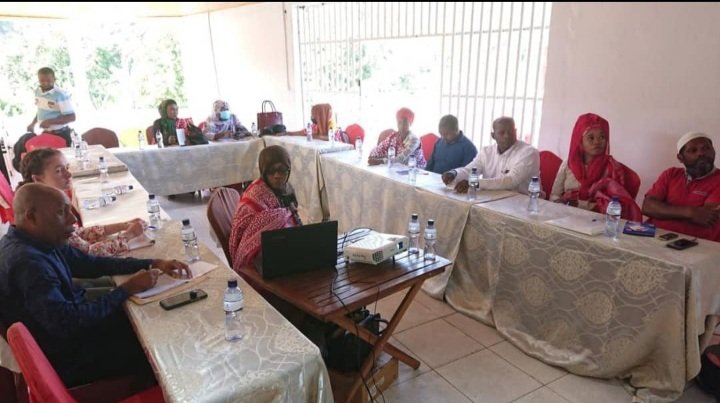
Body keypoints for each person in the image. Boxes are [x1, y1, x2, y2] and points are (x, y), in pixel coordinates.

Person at [0, 183, 190, 387]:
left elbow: (91, 264)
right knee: (162, 343)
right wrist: (127, 289)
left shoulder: (40, 240)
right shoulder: (28, 263)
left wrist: (151, 263)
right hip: (72, 356)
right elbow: (69, 323)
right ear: (31, 217)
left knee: (151, 314)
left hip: (74, 332)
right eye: (61, 212)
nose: (72, 220)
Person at [19, 148, 145, 256]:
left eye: (67, 167)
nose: (69, 174)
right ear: (38, 179)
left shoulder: (43, 201)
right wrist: (129, 235)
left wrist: (123, 225)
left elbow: (76, 234)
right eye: (58, 171)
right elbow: (89, 253)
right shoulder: (48, 212)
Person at [550, 113, 641, 220]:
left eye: (602, 137)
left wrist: (580, 205)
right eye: (591, 137)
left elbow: (614, 206)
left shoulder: (612, 168)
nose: (597, 142)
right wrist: (560, 203)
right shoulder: (568, 164)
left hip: (597, 222)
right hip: (565, 217)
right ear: (580, 140)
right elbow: (554, 195)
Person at [229, 145, 302, 271]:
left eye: (282, 170)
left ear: (288, 170)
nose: (277, 175)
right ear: (263, 171)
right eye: (271, 171)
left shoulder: (286, 188)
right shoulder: (256, 194)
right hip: (253, 257)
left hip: (279, 246)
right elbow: (251, 238)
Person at [642, 132, 720, 242]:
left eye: (706, 148)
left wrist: (662, 210)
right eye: (693, 150)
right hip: (652, 237)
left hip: (695, 244)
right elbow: (648, 207)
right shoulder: (671, 174)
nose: (701, 153)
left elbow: (707, 217)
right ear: (680, 158)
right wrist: (690, 212)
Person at [442, 117, 539, 194]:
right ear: (493, 136)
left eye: (510, 132)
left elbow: (511, 180)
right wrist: (454, 173)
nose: (506, 136)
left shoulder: (529, 152)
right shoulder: (486, 152)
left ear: (516, 131)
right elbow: (470, 169)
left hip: (525, 203)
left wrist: (474, 182)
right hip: (491, 200)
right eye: (502, 133)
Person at [26, 67, 76, 146]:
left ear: (54, 79)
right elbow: (41, 110)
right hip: (46, 133)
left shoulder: (60, 94)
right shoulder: (38, 92)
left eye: (49, 81)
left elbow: (71, 117)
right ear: (38, 80)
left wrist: (49, 122)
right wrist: (33, 124)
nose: (45, 83)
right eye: (42, 81)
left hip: (60, 133)